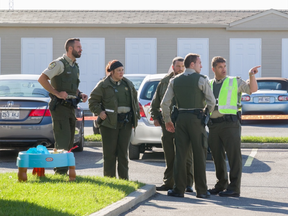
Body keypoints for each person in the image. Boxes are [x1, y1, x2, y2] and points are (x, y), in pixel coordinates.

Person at [161, 53, 216, 198]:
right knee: (199, 154)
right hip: (196, 119)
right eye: (199, 63)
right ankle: (202, 191)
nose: (201, 66)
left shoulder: (174, 80)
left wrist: (168, 120)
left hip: (180, 119)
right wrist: (206, 114)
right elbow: (212, 102)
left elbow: (164, 103)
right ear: (192, 64)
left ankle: (179, 189)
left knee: (180, 155)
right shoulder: (202, 79)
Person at [208, 56, 259, 197]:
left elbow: (252, 89)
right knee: (217, 157)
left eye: (224, 66)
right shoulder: (209, 83)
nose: (224, 69)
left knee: (234, 157)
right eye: (220, 67)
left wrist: (251, 76)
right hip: (213, 125)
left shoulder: (234, 81)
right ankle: (221, 184)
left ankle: (234, 187)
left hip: (230, 124)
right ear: (213, 69)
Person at [38, 38, 88, 175]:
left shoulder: (74, 66)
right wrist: (56, 93)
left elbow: (72, 88)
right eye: (78, 47)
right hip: (60, 107)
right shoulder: (59, 64)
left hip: (71, 107)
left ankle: (64, 171)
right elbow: (42, 79)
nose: (81, 49)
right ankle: (59, 173)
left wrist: (80, 93)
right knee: (62, 140)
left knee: (70, 141)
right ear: (70, 49)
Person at [88, 60, 140, 180]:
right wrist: (100, 112)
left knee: (123, 153)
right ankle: (110, 180)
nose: (121, 72)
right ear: (111, 72)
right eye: (118, 70)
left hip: (126, 122)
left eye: (122, 70)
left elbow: (134, 102)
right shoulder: (103, 85)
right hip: (109, 124)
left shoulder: (128, 84)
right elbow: (92, 101)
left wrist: (135, 117)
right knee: (109, 154)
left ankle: (124, 180)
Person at [150, 57, 194, 193]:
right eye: (178, 66)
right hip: (167, 123)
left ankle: (187, 184)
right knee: (170, 155)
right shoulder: (164, 82)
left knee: (186, 155)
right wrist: (156, 117)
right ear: (173, 67)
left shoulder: (190, 80)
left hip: (184, 122)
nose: (180, 69)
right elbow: (156, 102)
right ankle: (169, 183)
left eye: (182, 66)